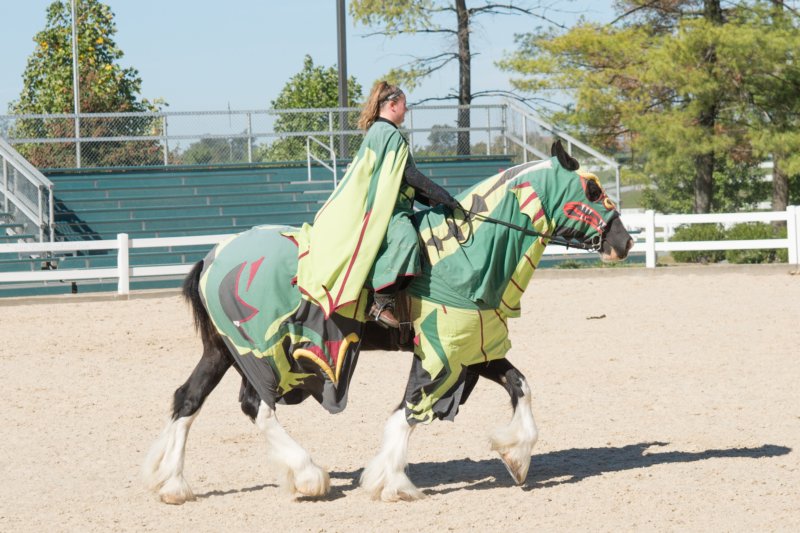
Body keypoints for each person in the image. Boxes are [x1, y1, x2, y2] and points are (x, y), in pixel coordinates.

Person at [294, 81, 460, 328]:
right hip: (388, 212)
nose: (407, 110)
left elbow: (401, 180)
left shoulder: (381, 133)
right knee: (405, 238)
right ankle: (381, 302)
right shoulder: (388, 134)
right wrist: (446, 197)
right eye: (404, 105)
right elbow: (409, 176)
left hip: (396, 204)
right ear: (392, 105)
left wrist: (437, 200)